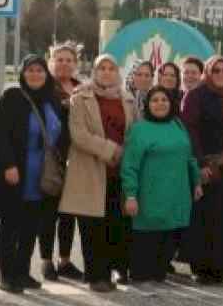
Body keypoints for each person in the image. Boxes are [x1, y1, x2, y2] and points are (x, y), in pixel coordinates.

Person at [0, 55, 68, 295]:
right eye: (30, 70)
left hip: (42, 174)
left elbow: (62, 134)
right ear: (23, 74)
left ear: (47, 74)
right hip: (17, 171)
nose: (35, 74)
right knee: (10, 225)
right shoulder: (13, 97)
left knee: (31, 226)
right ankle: (7, 275)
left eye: (40, 70)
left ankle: (22, 272)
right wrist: (8, 164)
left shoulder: (52, 99)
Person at [60, 55, 138, 293]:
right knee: (92, 227)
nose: (106, 72)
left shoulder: (128, 99)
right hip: (90, 170)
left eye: (111, 68)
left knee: (116, 225)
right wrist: (112, 150)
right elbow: (79, 135)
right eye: (101, 68)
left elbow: (134, 132)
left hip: (119, 173)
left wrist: (128, 153)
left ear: (117, 73)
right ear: (94, 72)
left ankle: (113, 270)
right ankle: (96, 276)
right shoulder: (80, 98)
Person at [120, 89, 201, 288]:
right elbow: (130, 166)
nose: (160, 103)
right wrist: (130, 195)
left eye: (164, 99)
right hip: (149, 196)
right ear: (147, 105)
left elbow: (189, 157)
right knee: (147, 239)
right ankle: (140, 276)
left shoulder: (177, 125)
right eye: (154, 100)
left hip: (177, 194)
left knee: (169, 237)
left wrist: (197, 181)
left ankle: (159, 275)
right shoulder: (140, 129)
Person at [181, 55, 223, 284]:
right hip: (204, 165)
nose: (221, 74)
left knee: (221, 216)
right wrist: (200, 163)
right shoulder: (196, 95)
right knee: (201, 217)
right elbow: (189, 130)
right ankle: (200, 267)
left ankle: (217, 267)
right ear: (208, 72)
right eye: (216, 70)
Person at [41, 42, 84, 282]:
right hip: (51, 157)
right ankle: (46, 261)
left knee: (69, 212)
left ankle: (65, 260)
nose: (64, 64)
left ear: (76, 64)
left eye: (69, 60)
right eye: (59, 59)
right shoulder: (44, 87)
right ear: (51, 62)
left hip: (76, 158)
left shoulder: (82, 89)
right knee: (49, 212)